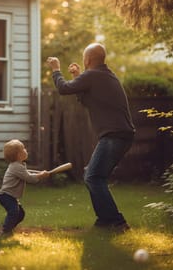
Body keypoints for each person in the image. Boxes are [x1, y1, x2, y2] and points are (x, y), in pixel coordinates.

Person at [47, 43, 135, 231]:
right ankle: (104, 220)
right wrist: (78, 77)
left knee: (93, 177)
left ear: (87, 60)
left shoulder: (94, 75)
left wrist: (56, 70)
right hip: (121, 135)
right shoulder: (106, 76)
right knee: (93, 175)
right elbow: (87, 100)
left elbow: (63, 89)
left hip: (115, 135)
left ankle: (117, 222)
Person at [0, 139, 49, 236]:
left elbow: (27, 174)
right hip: (6, 195)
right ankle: (6, 231)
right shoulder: (16, 167)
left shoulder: (18, 165)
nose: (26, 150)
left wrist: (40, 174)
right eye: (23, 149)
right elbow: (29, 178)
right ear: (18, 155)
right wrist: (41, 175)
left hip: (10, 196)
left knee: (20, 214)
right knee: (13, 212)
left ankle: (9, 227)